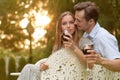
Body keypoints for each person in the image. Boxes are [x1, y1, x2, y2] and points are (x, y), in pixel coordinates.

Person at [17, 11, 89, 80]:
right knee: (29, 68)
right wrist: (45, 66)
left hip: (73, 76)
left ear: (75, 24)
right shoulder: (58, 45)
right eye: (64, 24)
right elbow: (52, 64)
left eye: (71, 22)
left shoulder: (84, 41)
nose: (68, 26)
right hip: (55, 75)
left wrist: (73, 47)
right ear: (60, 27)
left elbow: (88, 64)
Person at [64, 1, 120, 73]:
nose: (75, 23)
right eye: (75, 19)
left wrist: (100, 60)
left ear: (91, 21)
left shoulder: (103, 37)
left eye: (78, 20)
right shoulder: (86, 35)